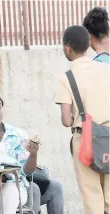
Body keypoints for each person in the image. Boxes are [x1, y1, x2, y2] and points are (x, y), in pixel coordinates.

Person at [0, 92, 64, 214]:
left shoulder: (17, 135)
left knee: (10, 193)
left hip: (8, 186)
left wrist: (33, 155)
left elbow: (26, 172)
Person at [55, 25, 109, 214]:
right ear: (88, 45)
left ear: (67, 48)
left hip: (85, 139)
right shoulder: (106, 69)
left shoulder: (66, 78)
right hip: (109, 136)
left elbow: (66, 120)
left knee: (91, 195)